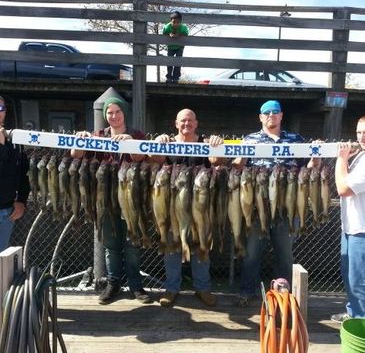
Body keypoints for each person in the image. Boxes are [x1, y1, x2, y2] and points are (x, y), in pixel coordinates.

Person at [234, 100, 319, 307]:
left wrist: (315, 156)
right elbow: (236, 167)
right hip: (257, 207)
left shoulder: (295, 139)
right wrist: (242, 157)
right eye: (266, 112)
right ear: (261, 117)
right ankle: (247, 291)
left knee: (284, 254)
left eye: (275, 112)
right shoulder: (249, 140)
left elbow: (306, 167)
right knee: (252, 253)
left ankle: (282, 294)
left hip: (286, 207)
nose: (271, 115)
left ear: (281, 116)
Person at [71, 97, 152, 305]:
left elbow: (140, 158)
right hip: (104, 198)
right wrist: (79, 138)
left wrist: (130, 142)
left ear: (124, 113)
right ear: (105, 116)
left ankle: (136, 285)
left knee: (132, 244)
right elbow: (75, 154)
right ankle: (113, 283)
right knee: (111, 245)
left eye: (117, 112)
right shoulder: (98, 136)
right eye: (110, 113)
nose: (114, 116)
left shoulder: (137, 135)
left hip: (130, 196)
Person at [152, 108, 224, 307]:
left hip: (200, 205)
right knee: (172, 246)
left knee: (201, 244)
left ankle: (203, 288)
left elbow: (217, 162)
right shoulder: (168, 143)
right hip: (173, 205)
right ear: (176, 123)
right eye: (183, 121)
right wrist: (158, 144)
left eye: (190, 121)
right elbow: (156, 160)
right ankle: (171, 288)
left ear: (196, 123)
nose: (186, 124)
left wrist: (217, 145)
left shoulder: (205, 142)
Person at [331, 116, 365, 322]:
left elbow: (343, 189)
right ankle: (354, 313)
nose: (362, 137)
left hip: (362, 230)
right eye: (359, 132)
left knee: (359, 280)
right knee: (349, 275)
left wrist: (341, 158)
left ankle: (360, 324)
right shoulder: (361, 156)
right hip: (351, 227)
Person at [0, 95, 30, 252]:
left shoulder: (15, 140)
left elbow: (24, 173)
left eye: (1, 108)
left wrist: (22, 200)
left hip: (6, 212)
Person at [163, 11, 189, 84]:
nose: (175, 24)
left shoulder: (183, 27)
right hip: (170, 47)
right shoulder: (167, 27)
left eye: (178, 22)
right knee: (169, 62)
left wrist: (179, 34)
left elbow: (186, 34)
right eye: (174, 22)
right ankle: (169, 77)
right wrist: (169, 34)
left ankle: (176, 78)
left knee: (178, 62)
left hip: (180, 47)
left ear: (180, 22)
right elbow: (164, 33)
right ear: (171, 21)